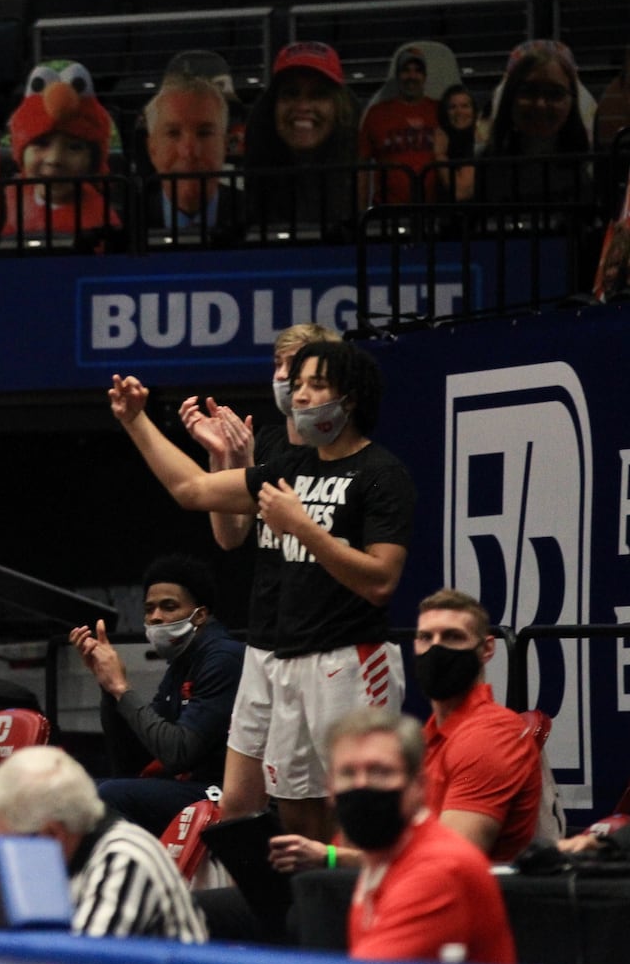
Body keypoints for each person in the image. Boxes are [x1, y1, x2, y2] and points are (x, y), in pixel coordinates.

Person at [109, 340, 414, 840]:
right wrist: (135, 421)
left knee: (354, 815)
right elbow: (193, 491)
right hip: (282, 657)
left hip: (348, 659)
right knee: (289, 814)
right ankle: (293, 911)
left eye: (317, 385)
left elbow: (381, 581)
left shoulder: (382, 474)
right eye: (297, 386)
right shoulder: (286, 468)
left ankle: (361, 912)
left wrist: (303, 527)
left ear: (351, 397)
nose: (302, 396)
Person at [176, 323, 341, 824]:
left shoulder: (341, 455)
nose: (284, 378)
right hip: (263, 641)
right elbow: (230, 537)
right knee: (238, 804)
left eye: (295, 369)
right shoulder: (265, 443)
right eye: (278, 367)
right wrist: (224, 459)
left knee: (320, 804)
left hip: (321, 646)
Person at [269, 588, 541, 871]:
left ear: (486, 649)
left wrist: (332, 858)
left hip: (454, 904)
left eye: (452, 637)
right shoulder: (427, 736)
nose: (436, 648)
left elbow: (451, 862)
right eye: (426, 638)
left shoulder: (490, 736)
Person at [326, 708, 515, 964]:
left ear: (418, 786)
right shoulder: (383, 856)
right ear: (329, 790)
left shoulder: (439, 870)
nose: (362, 786)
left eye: (380, 772)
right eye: (348, 773)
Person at [78, 554, 243, 836]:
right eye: (149, 608)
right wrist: (109, 688)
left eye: (169, 607)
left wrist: (122, 688)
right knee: (78, 793)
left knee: (109, 795)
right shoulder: (182, 663)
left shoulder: (224, 657)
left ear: (200, 615)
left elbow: (178, 753)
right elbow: (130, 763)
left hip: (229, 790)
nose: (156, 617)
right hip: (192, 785)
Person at [0, 746, 207, 942]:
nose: (0, 859)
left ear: (52, 835)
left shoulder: (124, 858)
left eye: (6, 846)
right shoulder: (58, 859)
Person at [1, 61, 120, 246]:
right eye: (41, 144)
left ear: (93, 161)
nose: (54, 160)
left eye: (74, 147)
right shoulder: (3, 202)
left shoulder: (101, 221)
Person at [243, 42, 358, 234]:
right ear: (272, 107)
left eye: (318, 95)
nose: (303, 106)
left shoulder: (366, 181)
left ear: (339, 108)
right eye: (290, 94)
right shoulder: (246, 192)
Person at [479, 40, 593, 206]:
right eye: (529, 91)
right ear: (509, 98)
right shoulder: (482, 167)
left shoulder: (592, 169)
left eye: (555, 93)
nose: (540, 104)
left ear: (572, 101)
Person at [143, 74, 241, 241]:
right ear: (152, 148)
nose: (188, 152)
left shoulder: (261, 216)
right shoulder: (125, 223)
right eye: (173, 133)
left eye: (204, 133)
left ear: (225, 145)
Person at [357, 47, 438, 205]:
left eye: (417, 71)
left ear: (425, 76)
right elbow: (362, 166)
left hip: (434, 211)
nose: (411, 76)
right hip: (388, 214)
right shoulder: (377, 113)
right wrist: (360, 212)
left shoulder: (439, 110)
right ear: (397, 76)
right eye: (406, 70)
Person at [434, 84, 482, 202]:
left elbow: (461, 193)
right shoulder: (446, 138)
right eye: (452, 107)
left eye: (465, 106)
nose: (459, 112)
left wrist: (440, 154)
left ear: (474, 111)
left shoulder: (477, 140)